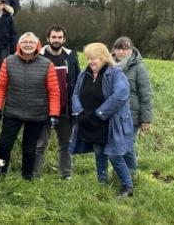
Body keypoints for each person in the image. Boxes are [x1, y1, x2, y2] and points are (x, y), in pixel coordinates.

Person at [70, 43, 135, 198]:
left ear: (104, 58)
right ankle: (102, 184)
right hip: (90, 121)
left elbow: (120, 95)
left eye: (95, 58)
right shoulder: (84, 75)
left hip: (110, 122)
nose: (91, 62)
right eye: (89, 58)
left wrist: (99, 113)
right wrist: (79, 111)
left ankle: (127, 186)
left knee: (114, 154)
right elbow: (75, 95)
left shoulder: (115, 74)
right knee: (99, 152)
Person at [0, 32, 60, 180]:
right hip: (12, 111)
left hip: (36, 113)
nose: (28, 44)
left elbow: (54, 92)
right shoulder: (8, 61)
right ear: (19, 44)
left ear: (37, 45)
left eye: (31, 42)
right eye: (25, 42)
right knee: (4, 145)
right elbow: (1, 87)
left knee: (29, 148)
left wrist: (54, 114)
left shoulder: (47, 64)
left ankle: (27, 177)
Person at [33, 25, 81, 180]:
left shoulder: (71, 57)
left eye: (60, 37)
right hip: (43, 109)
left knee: (66, 145)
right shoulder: (38, 56)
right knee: (40, 145)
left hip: (65, 110)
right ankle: (35, 175)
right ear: (48, 38)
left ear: (64, 39)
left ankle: (66, 174)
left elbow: (77, 81)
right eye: (54, 37)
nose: (56, 40)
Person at [112, 36, 153, 177]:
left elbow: (146, 94)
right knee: (116, 145)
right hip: (113, 115)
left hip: (131, 115)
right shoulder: (109, 66)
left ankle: (131, 175)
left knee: (127, 145)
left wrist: (146, 119)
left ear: (131, 49)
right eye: (118, 48)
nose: (121, 52)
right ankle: (120, 174)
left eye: (125, 48)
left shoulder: (139, 67)